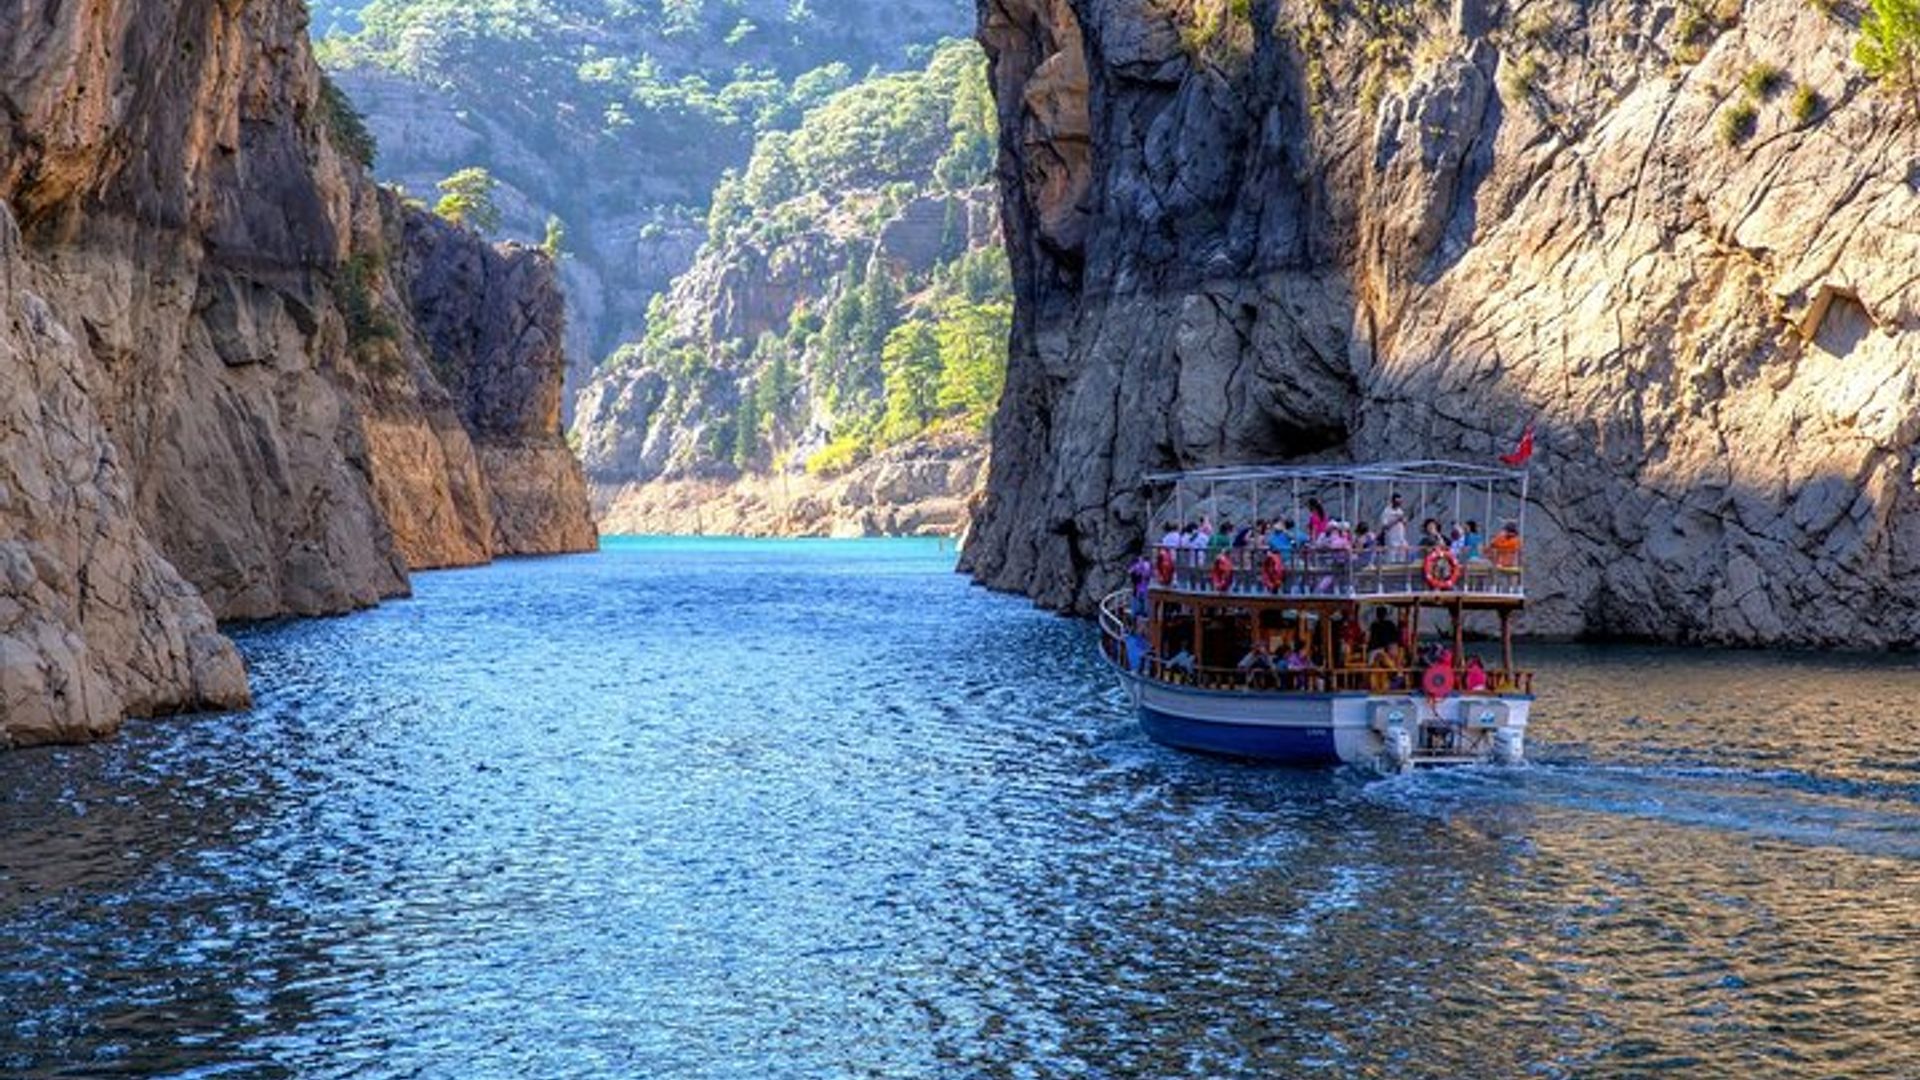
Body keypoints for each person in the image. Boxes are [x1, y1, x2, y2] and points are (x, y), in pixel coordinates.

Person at [1380, 493, 1409, 558]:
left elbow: (1404, 524)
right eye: (1397, 502)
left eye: (1400, 502)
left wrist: (1404, 522)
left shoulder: (1400, 511)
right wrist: (1396, 520)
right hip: (1392, 539)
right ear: (1393, 501)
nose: (1399, 503)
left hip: (1401, 538)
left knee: (1402, 558)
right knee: (1392, 558)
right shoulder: (1386, 511)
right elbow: (1385, 526)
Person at [1128, 549, 1153, 616]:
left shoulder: (1139, 564)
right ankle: (1142, 613)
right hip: (1141, 586)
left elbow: (1131, 571)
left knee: (1139, 599)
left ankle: (1137, 614)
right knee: (1142, 599)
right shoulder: (1146, 564)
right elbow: (1149, 574)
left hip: (1140, 586)